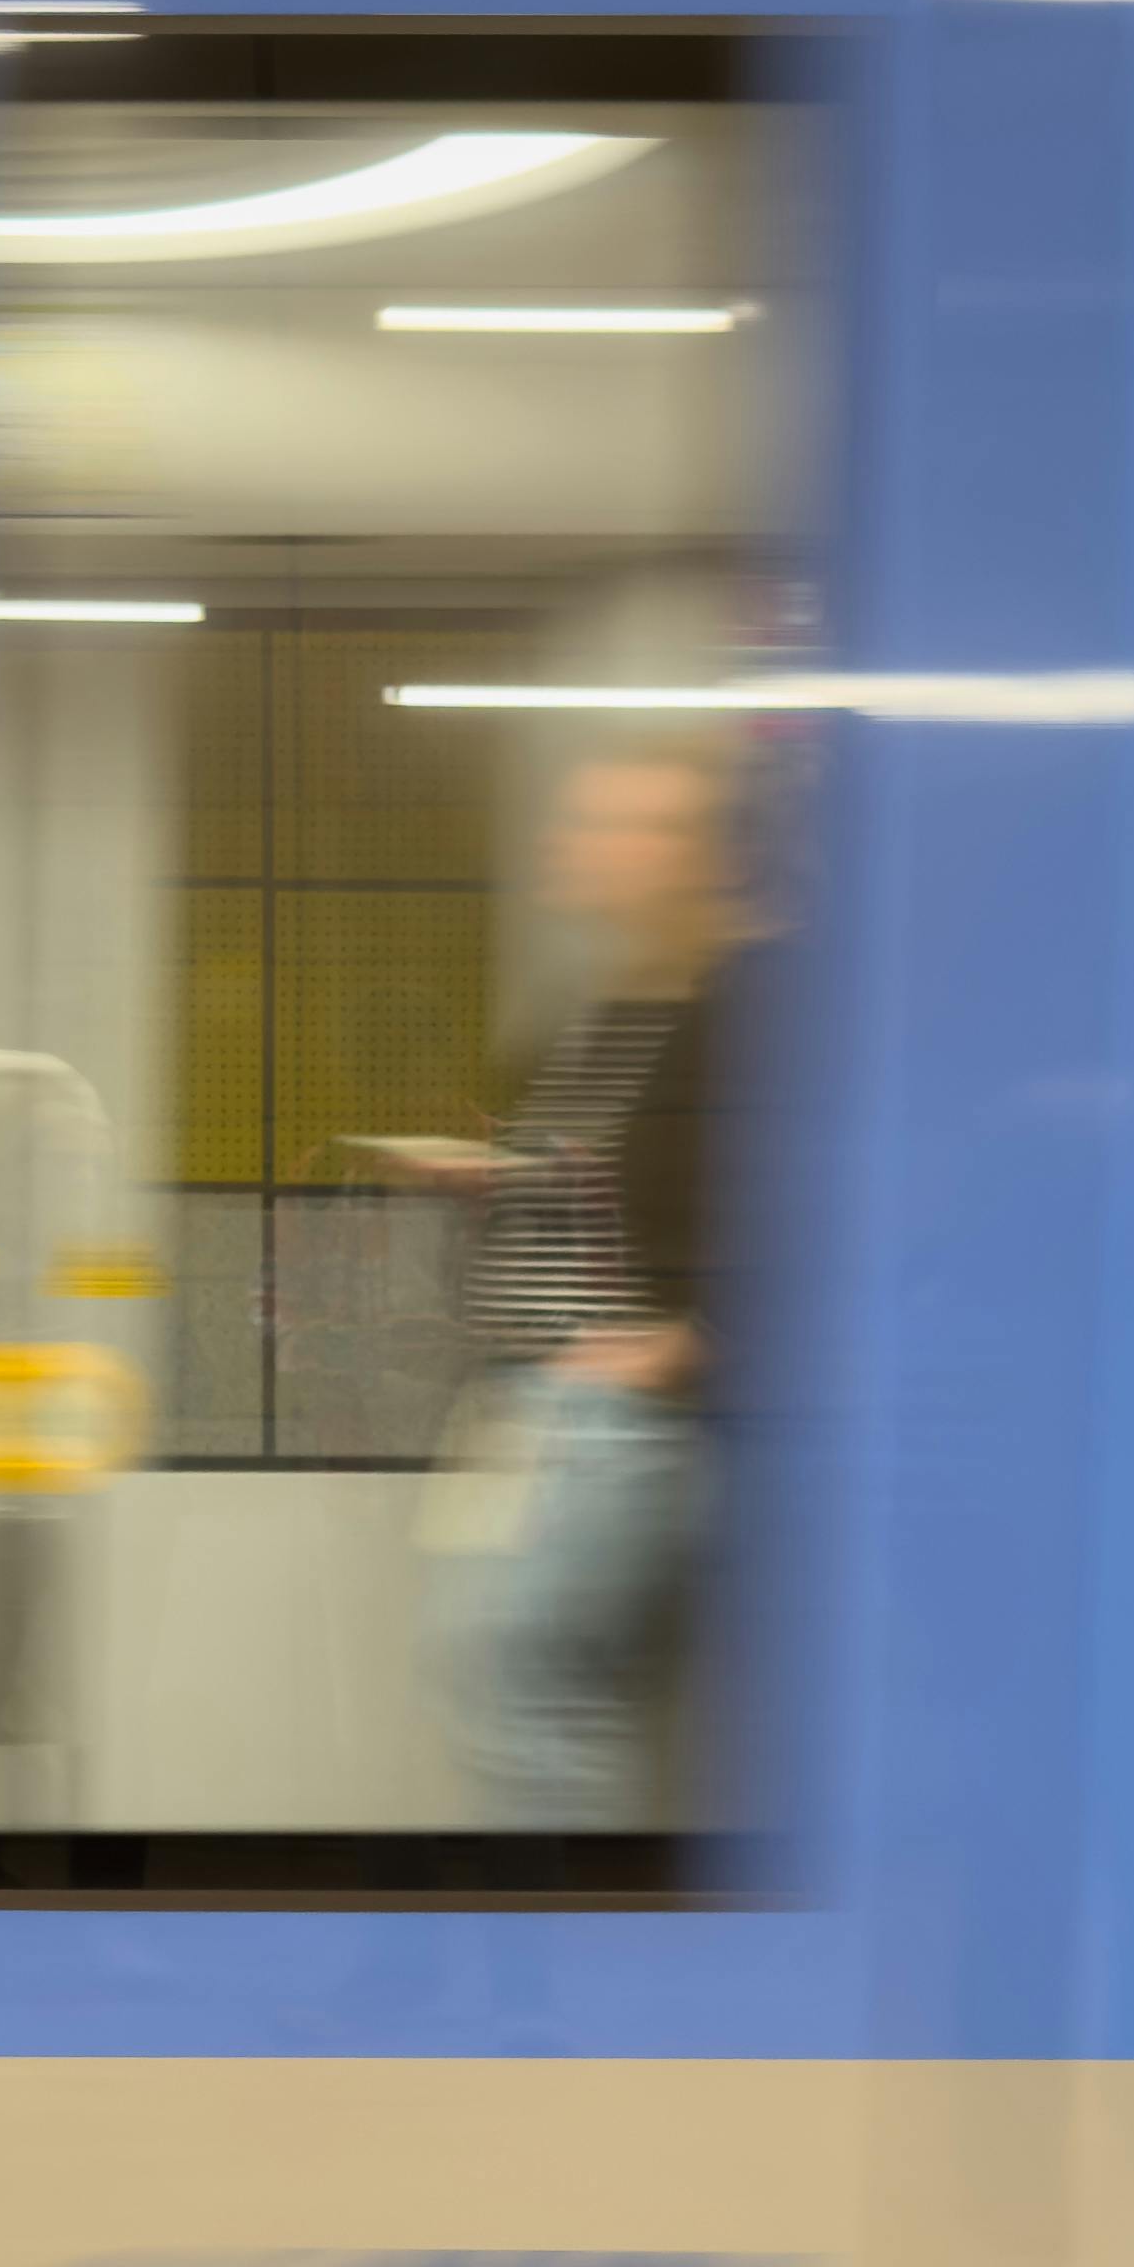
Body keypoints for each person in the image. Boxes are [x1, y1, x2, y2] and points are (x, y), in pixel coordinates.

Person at [375, 744, 756, 1834]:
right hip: (537, 1404)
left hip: (618, 1414)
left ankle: (563, 1930)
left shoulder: (747, 1014)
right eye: (582, 821)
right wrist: (491, 1178)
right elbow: (599, 1191)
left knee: (512, 1674)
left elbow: (812, 1206)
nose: (578, 845)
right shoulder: (596, 1013)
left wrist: (697, 1340)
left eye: (621, 825)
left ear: (702, 854)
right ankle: (552, 1927)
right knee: (509, 1677)